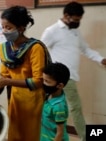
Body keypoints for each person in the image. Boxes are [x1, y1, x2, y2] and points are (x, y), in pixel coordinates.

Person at [40, 2, 106, 140]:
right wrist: (46, 76)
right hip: (60, 78)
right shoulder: (52, 31)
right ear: (66, 16)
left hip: (70, 77)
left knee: (59, 108)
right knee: (75, 109)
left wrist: (100, 59)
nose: (78, 23)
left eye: (79, 20)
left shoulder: (75, 31)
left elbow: (85, 49)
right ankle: (84, 137)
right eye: (76, 20)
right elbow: (40, 51)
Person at [0, 6, 52, 141]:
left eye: (8, 27)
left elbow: (38, 81)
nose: (4, 31)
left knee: (31, 135)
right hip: (15, 100)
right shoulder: (4, 48)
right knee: (15, 134)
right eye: (3, 27)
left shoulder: (35, 48)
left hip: (34, 102)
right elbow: (4, 76)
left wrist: (7, 82)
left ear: (21, 28)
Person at [41, 62, 70, 141]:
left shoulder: (59, 107)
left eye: (47, 81)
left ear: (60, 85)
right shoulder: (49, 96)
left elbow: (60, 133)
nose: (44, 83)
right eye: (43, 80)